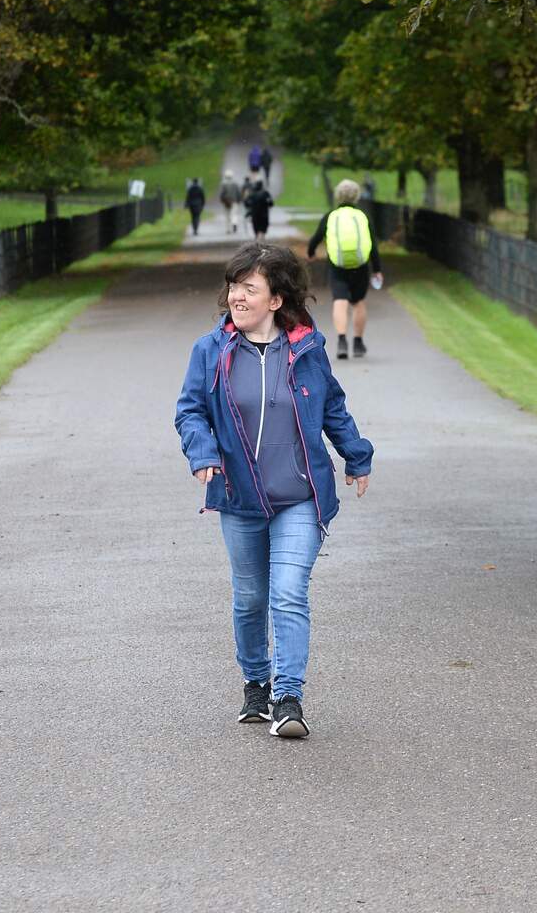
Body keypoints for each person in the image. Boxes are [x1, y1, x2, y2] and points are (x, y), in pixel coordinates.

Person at [174, 242, 374, 740]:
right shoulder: (211, 350)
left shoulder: (306, 349)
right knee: (249, 598)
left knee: (287, 594)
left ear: (276, 300)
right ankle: (256, 684)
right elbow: (190, 411)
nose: (235, 296)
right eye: (233, 286)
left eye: (249, 288)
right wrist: (203, 454)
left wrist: (356, 454)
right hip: (240, 498)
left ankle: (288, 698)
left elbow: (332, 407)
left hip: (299, 498)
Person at [307, 180, 383, 360]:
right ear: (356, 196)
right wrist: (377, 269)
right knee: (358, 302)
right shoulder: (362, 216)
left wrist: (311, 253)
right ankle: (358, 342)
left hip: (337, 266)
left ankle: (341, 341)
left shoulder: (331, 216)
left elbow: (316, 238)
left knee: (340, 301)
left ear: (338, 196)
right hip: (360, 266)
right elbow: (372, 245)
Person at [218, 170, 242, 234]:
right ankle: (234, 223)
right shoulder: (235, 183)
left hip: (226, 202)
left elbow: (221, 194)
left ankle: (228, 229)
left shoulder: (223, 184)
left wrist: (221, 200)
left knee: (227, 216)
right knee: (234, 214)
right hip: (234, 201)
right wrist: (239, 200)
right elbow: (238, 192)